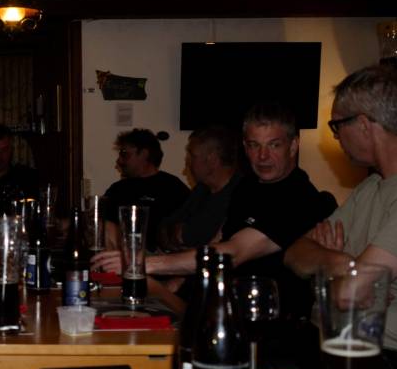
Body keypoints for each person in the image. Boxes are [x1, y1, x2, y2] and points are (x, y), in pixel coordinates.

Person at [286, 65, 397, 369]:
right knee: (251, 346)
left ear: (362, 124)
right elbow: (295, 254)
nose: (336, 138)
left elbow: (348, 294)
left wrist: (333, 273)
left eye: (336, 126)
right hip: (343, 341)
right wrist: (341, 263)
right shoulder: (373, 187)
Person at [93, 104, 332, 321]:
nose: (262, 156)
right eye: (254, 145)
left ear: (293, 146)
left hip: (266, 322)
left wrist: (140, 263)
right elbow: (216, 242)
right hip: (221, 306)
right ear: (245, 147)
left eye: (274, 145)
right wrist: (177, 282)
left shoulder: (300, 197)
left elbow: (233, 252)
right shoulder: (247, 187)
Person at [156, 125, 243, 252]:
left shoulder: (241, 193)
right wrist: (178, 234)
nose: (187, 163)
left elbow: (192, 237)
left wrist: (182, 235)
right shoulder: (202, 189)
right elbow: (163, 228)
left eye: (193, 156)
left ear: (212, 160)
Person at [101, 128, 190, 252]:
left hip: (162, 257)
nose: (119, 160)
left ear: (144, 154)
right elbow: (98, 224)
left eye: (124, 154)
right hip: (123, 255)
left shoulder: (173, 187)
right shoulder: (117, 189)